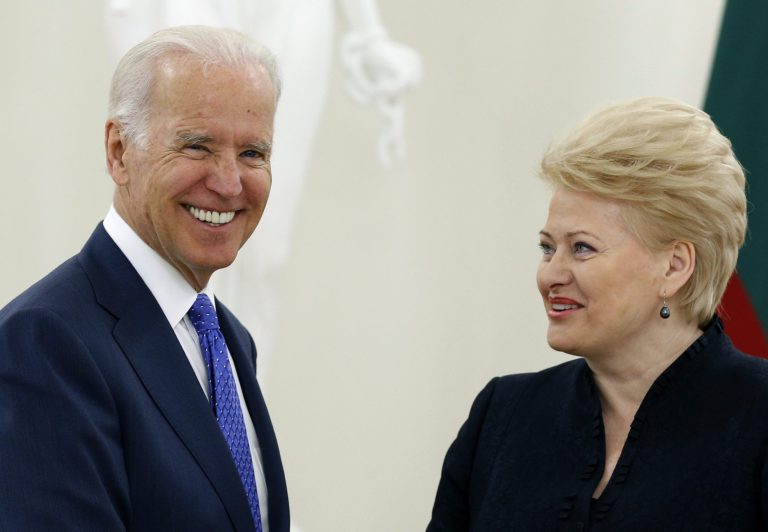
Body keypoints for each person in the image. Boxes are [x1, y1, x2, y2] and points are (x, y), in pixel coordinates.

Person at [427, 97, 768, 531]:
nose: (551, 273)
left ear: (675, 266)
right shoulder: (502, 416)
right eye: (547, 247)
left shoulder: (758, 421)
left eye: (582, 247)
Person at [0, 26, 289, 531]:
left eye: (252, 153)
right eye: (197, 146)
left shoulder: (227, 338)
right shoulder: (43, 341)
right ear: (119, 152)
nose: (228, 182)